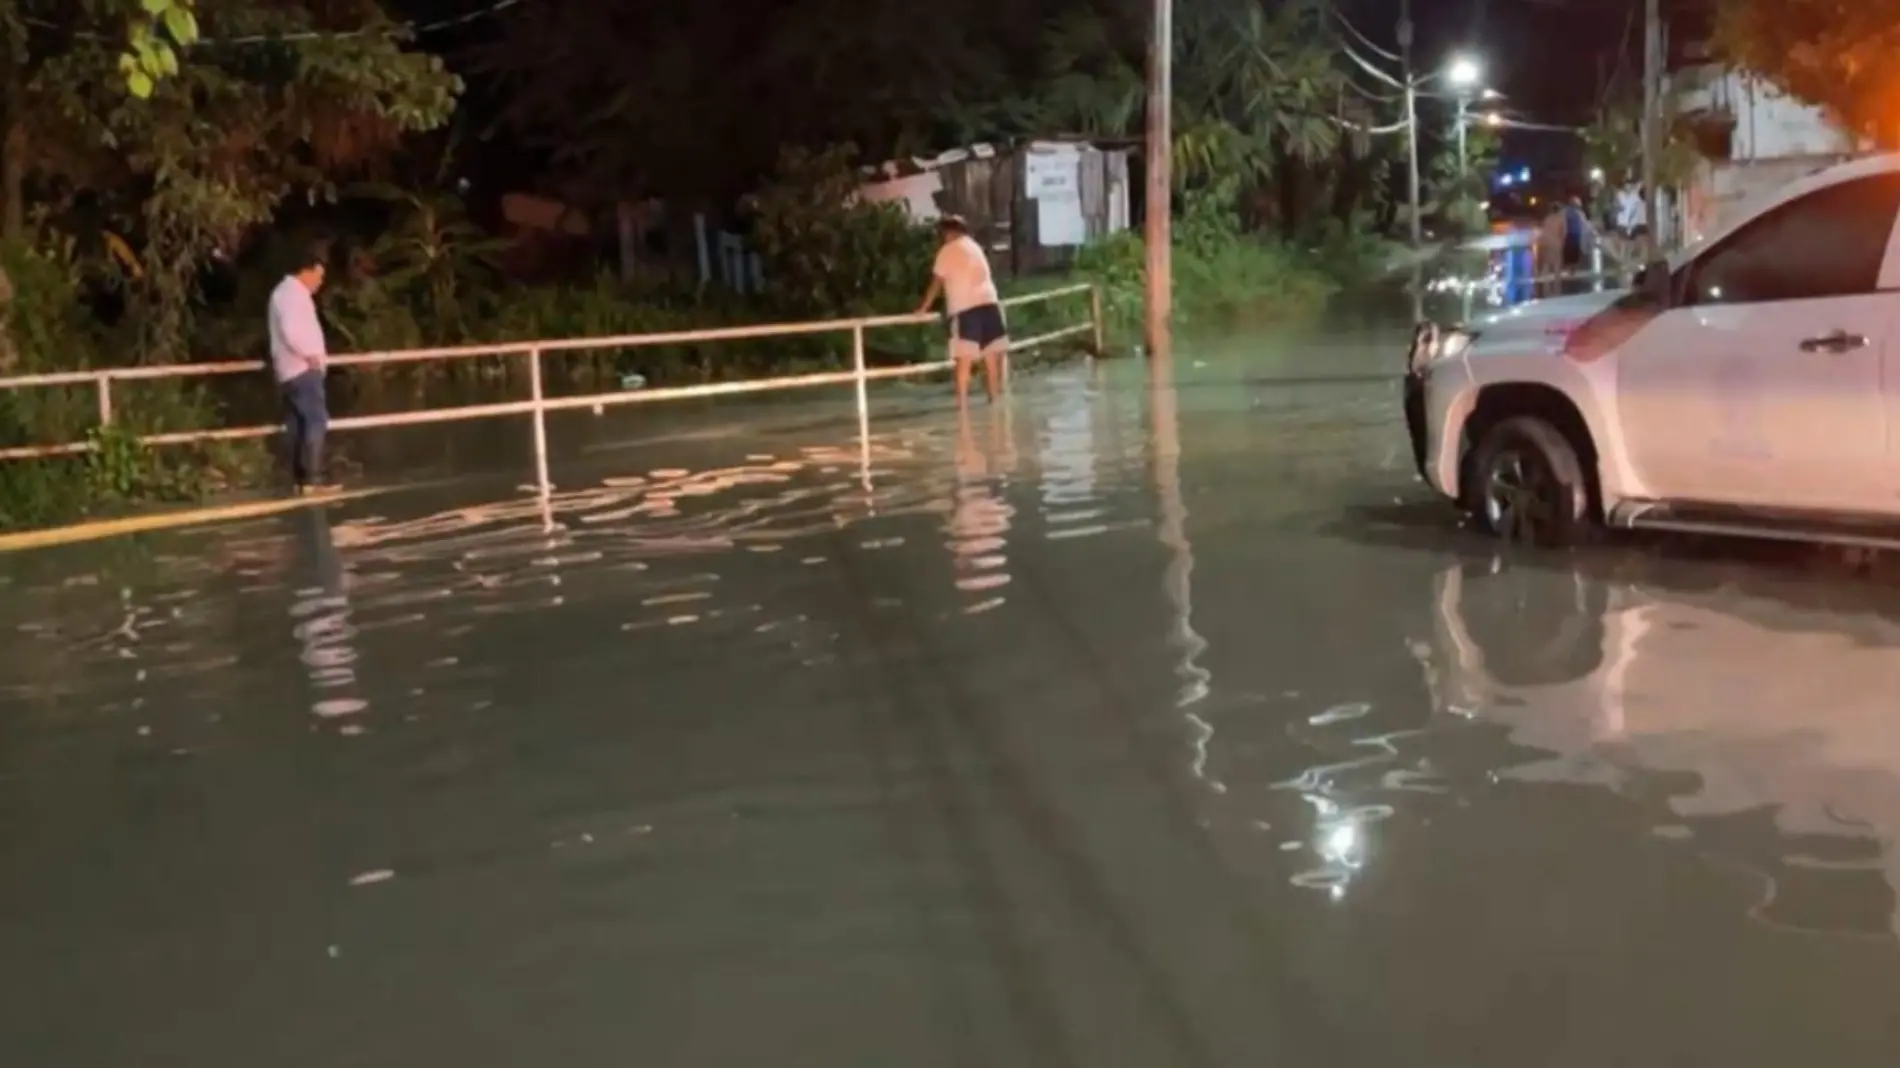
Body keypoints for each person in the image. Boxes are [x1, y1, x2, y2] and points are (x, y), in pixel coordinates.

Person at [916, 215, 1007, 406]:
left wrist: (923, 308)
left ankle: (962, 407)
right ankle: (994, 401)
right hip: (989, 303)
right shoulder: (975, 247)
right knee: (990, 358)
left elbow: (936, 283)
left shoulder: (947, 251)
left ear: (947, 232)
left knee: (963, 360)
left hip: (966, 308)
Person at [268, 245, 335, 494]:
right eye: (319, 275)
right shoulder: (291, 294)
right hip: (301, 370)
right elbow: (290, 330)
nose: (320, 282)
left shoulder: (287, 293)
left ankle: (301, 480)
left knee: (298, 424)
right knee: (315, 421)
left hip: (292, 370)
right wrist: (311, 356)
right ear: (309, 271)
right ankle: (311, 479)